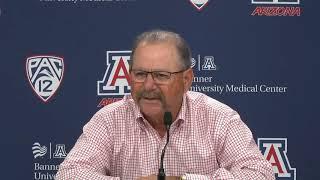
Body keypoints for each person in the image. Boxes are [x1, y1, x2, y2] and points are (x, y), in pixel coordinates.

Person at [56, 30, 275, 180]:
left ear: (187, 79)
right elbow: (69, 174)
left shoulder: (218, 118)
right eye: (140, 74)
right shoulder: (109, 120)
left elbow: (259, 175)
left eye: (161, 75)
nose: (148, 85)